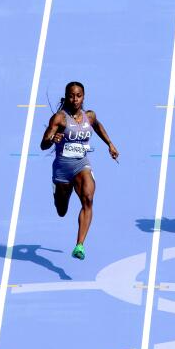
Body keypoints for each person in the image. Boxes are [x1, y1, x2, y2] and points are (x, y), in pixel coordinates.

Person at [40, 81, 119, 260]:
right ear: (66, 97)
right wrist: (53, 139)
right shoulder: (59, 118)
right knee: (61, 210)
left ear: (83, 96)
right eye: (71, 96)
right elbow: (43, 144)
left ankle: (79, 245)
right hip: (62, 169)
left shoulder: (88, 116)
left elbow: (97, 126)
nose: (75, 99)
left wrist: (110, 144)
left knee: (88, 199)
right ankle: (58, 192)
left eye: (78, 96)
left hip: (81, 165)